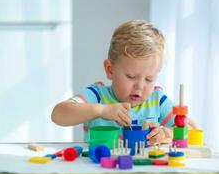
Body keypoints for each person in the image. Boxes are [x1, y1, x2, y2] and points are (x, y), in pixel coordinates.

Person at [51, 19, 197, 145]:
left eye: (149, 79)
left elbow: (189, 130)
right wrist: (101, 110)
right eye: (131, 76)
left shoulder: (157, 99)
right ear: (110, 70)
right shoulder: (97, 95)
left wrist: (166, 134)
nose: (139, 86)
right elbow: (58, 115)